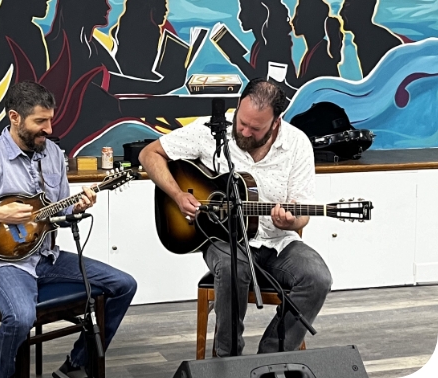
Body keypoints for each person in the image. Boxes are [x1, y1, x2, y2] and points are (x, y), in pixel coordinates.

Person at [0, 81, 137, 378]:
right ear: (14, 117)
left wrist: (76, 207)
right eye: (40, 121)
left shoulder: (53, 154)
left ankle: (76, 365)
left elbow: (57, 210)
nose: (49, 129)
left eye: (50, 120)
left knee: (124, 284)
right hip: (1, 263)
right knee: (20, 317)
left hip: (47, 256)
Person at [138, 78, 332, 356]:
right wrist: (178, 194)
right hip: (223, 239)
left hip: (277, 242)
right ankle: (227, 362)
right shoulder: (211, 131)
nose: (244, 131)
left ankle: (271, 358)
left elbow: (302, 214)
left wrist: (292, 221)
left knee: (317, 278)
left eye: (256, 128)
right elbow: (149, 154)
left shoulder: (297, 144)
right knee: (233, 268)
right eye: (242, 121)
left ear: (275, 122)